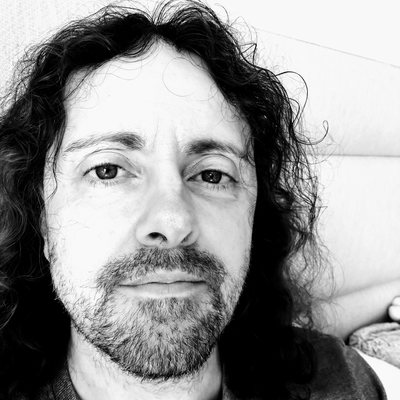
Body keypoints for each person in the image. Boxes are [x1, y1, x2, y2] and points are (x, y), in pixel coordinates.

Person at [0, 1, 398, 399]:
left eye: (212, 175)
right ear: (42, 220)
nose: (173, 222)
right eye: (107, 170)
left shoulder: (343, 381)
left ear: (253, 216)